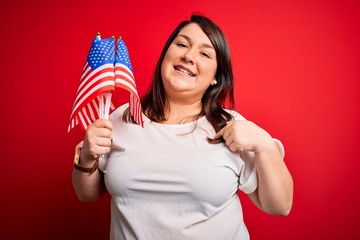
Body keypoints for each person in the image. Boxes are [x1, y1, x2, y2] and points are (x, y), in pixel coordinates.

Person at [72, 14, 293, 240]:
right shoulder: (121, 118)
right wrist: (87, 156)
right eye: (182, 44)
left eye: (204, 53)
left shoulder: (231, 128)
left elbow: (280, 206)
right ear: (166, 54)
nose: (188, 56)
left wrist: (265, 145)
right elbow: (87, 194)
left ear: (216, 77)